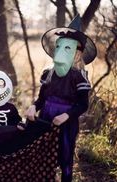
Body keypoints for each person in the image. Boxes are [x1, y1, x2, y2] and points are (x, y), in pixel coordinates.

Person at [25, 14, 97, 182]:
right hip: (46, 118)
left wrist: (66, 115)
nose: (60, 51)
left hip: (66, 122)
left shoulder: (79, 76)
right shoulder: (48, 74)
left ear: (77, 53)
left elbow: (83, 104)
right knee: (42, 155)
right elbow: (41, 99)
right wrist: (34, 107)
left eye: (67, 48)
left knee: (65, 157)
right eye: (59, 47)